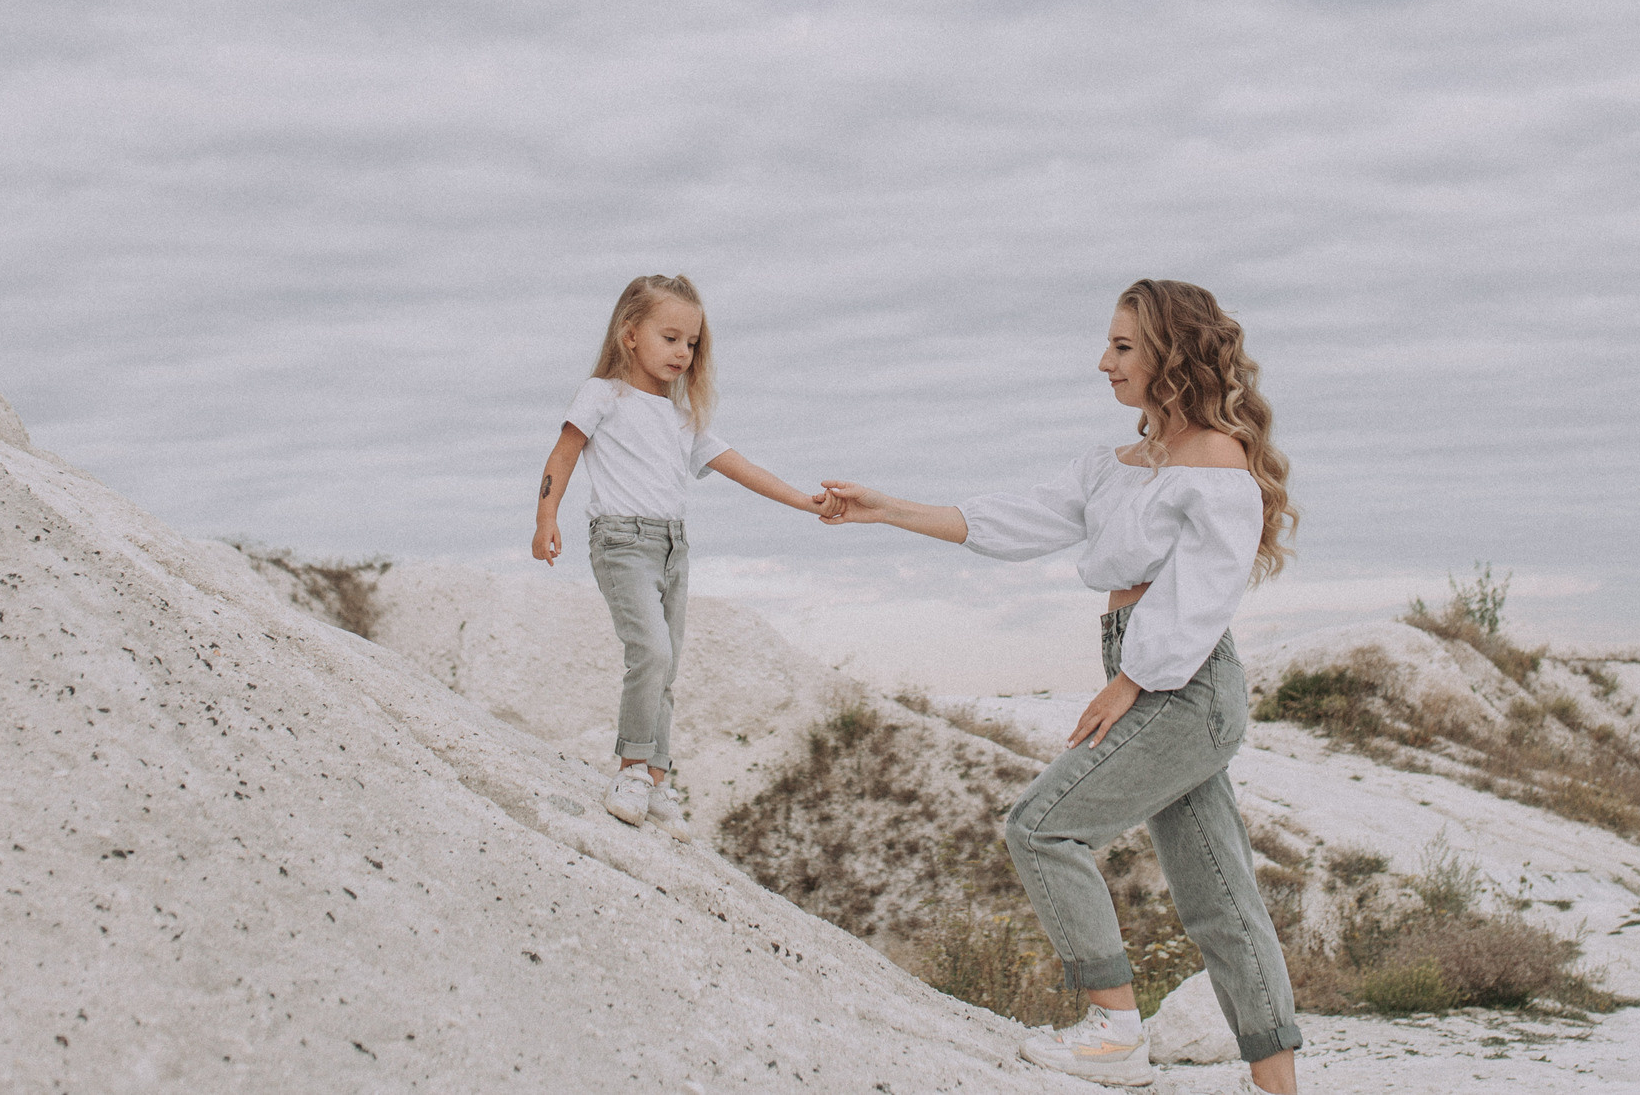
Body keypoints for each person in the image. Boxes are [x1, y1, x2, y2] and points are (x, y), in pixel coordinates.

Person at [819, 279, 1303, 1091]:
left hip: (1182, 683)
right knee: (1221, 891)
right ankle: (1279, 1086)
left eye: (1122, 346)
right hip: (1150, 673)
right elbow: (1013, 519)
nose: (1103, 362)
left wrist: (1130, 684)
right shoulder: (1112, 466)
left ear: (1170, 354)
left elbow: (1205, 592)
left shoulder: (1217, 457)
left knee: (1041, 825)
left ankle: (1114, 1032)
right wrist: (886, 508)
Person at [533, 273, 821, 832]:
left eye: (692, 343)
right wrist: (546, 518)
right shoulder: (603, 395)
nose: (683, 353)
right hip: (620, 542)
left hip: (673, 549)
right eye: (670, 338)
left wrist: (807, 503)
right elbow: (562, 455)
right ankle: (631, 769)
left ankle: (656, 780)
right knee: (651, 653)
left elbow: (742, 467)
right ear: (630, 334)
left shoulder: (684, 418)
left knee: (667, 666)